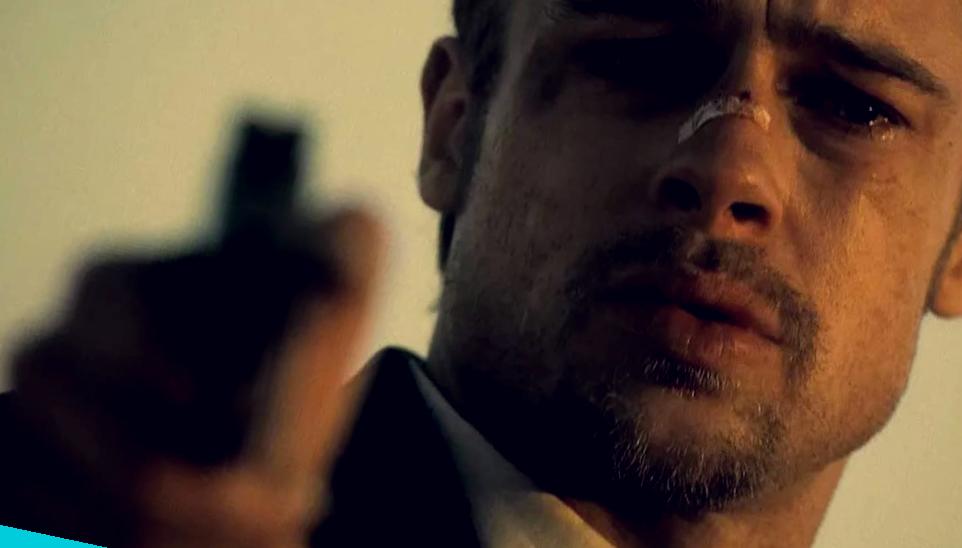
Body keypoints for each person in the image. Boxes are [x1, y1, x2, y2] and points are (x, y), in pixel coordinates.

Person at [3, 0, 962, 546]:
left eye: (855, 106)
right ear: (453, 128)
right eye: (639, 60)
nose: (729, 173)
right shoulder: (63, 508)